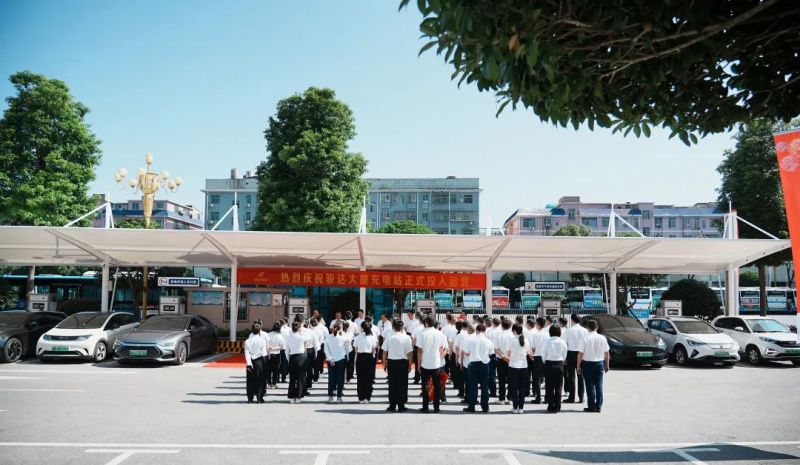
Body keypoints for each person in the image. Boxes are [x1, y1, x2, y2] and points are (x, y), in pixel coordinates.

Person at [577, 319, 610, 413]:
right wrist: (607, 364)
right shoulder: (602, 338)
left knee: (590, 386)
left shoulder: (585, 338)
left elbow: (580, 354)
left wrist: (578, 366)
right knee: (599, 385)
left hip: (587, 364)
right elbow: (606, 353)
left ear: (587, 327)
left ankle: (591, 406)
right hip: (599, 363)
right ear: (597, 327)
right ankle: (598, 406)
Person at [415, 316, 447, 413]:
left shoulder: (422, 333)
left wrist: (419, 363)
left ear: (426, 323)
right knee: (437, 386)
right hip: (436, 363)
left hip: (425, 363)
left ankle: (425, 407)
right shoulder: (440, 334)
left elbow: (419, 350)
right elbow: (444, 349)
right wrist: (440, 358)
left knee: (425, 385)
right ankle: (436, 407)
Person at [382, 319, 413, 412]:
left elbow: (384, 352)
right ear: (402, 328)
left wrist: (384, 363)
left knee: (392, 384)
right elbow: (410, 353)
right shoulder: (407, 337)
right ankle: (401, 405)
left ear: (393, 327)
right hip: (403, 363)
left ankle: (392, 405)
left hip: (392, 362)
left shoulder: (389, 337)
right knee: (403, 384)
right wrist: (410, 365)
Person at [462, 323, 493, 413]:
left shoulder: (470, 339)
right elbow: (491, 353)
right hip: (484, 365)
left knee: (473, 386)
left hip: (473, 364)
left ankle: (472, 406)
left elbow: (466, 353)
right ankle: (485, 407)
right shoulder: (488, 341)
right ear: (484, 331)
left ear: (477, 330)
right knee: (485, 387)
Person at [503, 323, 532, 414]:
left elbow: (507, 354)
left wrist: (508, 358)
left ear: (514, 331)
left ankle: (515, 407)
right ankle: (521, 408)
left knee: (514, 388)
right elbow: (529, 353)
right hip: (524, 366)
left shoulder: (512, 341)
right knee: (522, 388)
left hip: (513, 366)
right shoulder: (526, 341)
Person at [541, 325, 568, 413]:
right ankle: (557, 406)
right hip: (559, 364)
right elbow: (565, 354)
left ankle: (550, 405)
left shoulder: (547, 341)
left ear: (550, 332)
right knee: (559, 387)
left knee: (549, 387)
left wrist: (545, 361)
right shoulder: (562, 342)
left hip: (549, 363)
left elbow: (543, 354)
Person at [564, 313, 589, 403]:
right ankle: (581, 397)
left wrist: (565, 357)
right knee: (581, 376)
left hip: (571, 353)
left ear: (572, 320)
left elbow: (564, 344)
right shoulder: (585, 331)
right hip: (581, 354)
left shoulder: (569, 330)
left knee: (571, 377)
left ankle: (572, 397)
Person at [324, 321, 351, 404]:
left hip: (331, 360)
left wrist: (330, 358)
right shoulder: (344, 338)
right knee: (340, 379)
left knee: (331, 379)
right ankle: (339, 397)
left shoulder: (328, 338)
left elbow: (326, 350)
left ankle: (330, 397)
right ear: (341, 329)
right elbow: (348, 349)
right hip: (341, 360)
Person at [286, 321, 311, 403]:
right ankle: (299, 397)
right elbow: (309, 337)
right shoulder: (301, 337)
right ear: (299, 328)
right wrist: (302, 331)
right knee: (300, 378)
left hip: (292, 357)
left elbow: (287, 350)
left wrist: (288, 359)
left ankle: (292, 397)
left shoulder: (288, 337)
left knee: (292, 379)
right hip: (301, 358)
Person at [353, 320, 379, 403]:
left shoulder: (358, 337)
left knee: (360, 378)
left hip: (360, 357)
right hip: (369, 357)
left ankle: (361, 397)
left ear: (362, 328)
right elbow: (374, 348)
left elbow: (356, 349)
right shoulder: (373, 337)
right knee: (369, 378)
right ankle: (367, 397)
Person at [244, 323, 267, 404]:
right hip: (260, 361)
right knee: (260, 380)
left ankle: (250, 399)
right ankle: (259, 398)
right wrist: (256, 356)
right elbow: (263, 352)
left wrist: (249, 363)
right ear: (259, 331)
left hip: (250, 361)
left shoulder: (247, 341)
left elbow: (246, 353)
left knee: (250, 380)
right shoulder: (262, 340)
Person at [494, 319, 515, 405]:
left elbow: (496, 348)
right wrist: (508, 357)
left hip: (501, 359)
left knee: (501, 379)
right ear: (510, 326)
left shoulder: (499, 335)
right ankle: (510, 398)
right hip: (511, 359)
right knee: (511, 379)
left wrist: (503, 356)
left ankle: (501, 398)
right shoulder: (513, 335)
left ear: (502, 326)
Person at [528, 317, 548, 404]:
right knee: (547, 378)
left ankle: (538, 397)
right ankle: (547, 398)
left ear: (538, 324)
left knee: (537, 378)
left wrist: (531, 355)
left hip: (538, 357)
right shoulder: (547, 334)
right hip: (547, 357)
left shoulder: (536, 335)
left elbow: (533, 347)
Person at [266, 322, 285, 389]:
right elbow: (282, 347)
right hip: (276, 354)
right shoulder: (280, 336)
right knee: (275, 370)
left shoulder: (268, 334)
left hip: (269, 354)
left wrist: (270, 349)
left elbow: (266, 345)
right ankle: (274, 384)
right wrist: (274, 348)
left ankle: (268, 383)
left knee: (268, 370)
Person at [450, 320, 466, 399]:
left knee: (459, 375)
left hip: (459, 356)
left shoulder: (458, 335)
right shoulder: (470, 334)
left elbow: (455, 347)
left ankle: (461, 391)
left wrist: (455, 358)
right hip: (468, 358)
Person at [405, 311, 421, 384]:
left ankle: (417, 376)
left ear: (413, 314)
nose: (408, 315)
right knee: (415, 359)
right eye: (408, 314)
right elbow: (404, 328)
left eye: (409, 314)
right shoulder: (406, 320)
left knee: (418, 360)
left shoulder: (417, 322)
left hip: (415, 339)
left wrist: (413, 345)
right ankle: (416, 375)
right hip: (409, 335)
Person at [312, 316, 328, 381]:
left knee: (312, 361)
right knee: (319, 359)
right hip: (320, 345)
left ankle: (313, 374)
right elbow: (326, 338)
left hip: (311, 347)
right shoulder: (324, 328)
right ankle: (320, 371)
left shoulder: (309, 330)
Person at [344, 311, 357, 382]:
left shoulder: (343, 323)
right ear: (352, 317)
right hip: (352, 342)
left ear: (345, 317)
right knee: (351, 360)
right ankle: (350, 375)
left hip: (343, 342)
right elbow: (357, 333)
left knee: (344, 359)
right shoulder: (354, 324)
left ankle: (344, 375)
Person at [279, 319, 290, 383]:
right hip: (285, 347)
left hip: (278, 348)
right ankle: (283, 378)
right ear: (287, 322)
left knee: (278, 363)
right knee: (284, 363)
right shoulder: (288, 329)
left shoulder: (278, 329)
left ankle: (277, 378)